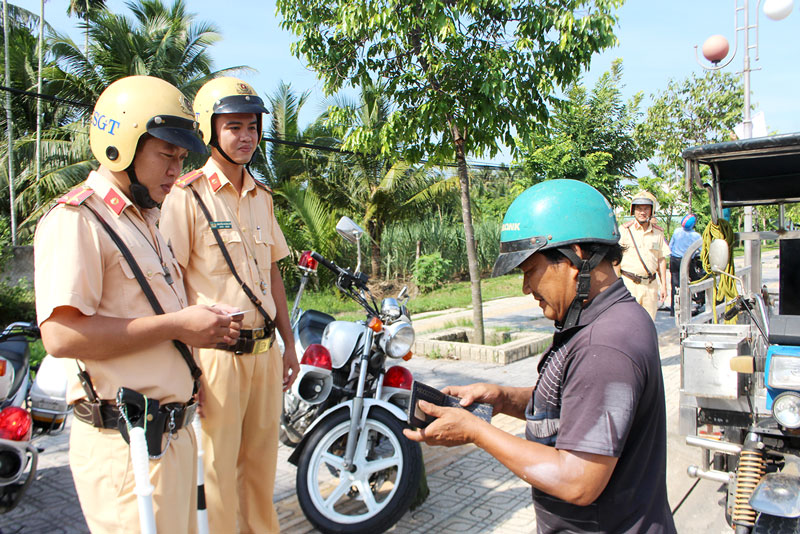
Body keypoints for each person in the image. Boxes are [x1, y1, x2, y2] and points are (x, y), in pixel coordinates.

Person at [405, 179, 676, 534]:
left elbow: (578, 481)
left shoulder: (606, 344)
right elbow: (578, 404)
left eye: (530, 270)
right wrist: (502, 399)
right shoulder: (601, 320)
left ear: (576, 257)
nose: (526, 288)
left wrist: (476, 431)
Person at [34, 75, 243, 533]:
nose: (176, 169)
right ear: (120, 147)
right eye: (166, 155)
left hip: (172, 437)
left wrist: (190, 372)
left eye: (182, 157)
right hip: (126, 447)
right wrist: (177, 326)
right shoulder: (78, 219)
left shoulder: (147, 217)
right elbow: (60, 335)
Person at [160, 76, 300, 533]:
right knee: (219, 469)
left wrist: (290, 344)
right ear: (208, 130)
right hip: (217, 356)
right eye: (233, 126)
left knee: (262, 466)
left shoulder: (263, 196)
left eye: (253, 127)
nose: (246, 137)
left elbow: (273, 274)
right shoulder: (186, 195)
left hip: (265, 353)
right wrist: (186, 366)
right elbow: (172, 284)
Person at [617, 190, 671, 320]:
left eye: (646, 208)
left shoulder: (658, 233)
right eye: (639, 208)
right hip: (629, 284)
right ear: (633, 210)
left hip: (650, 287)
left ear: (651, 211)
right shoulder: (625, 230)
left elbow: (661, 259)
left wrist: (663, 286)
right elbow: (615, 259)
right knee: (628, 322)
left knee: (648, 323)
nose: (642, 212)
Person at [668, 214, 704, 316]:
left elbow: (671, 246)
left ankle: (673, 310)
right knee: (695, 280)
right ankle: (698, 298)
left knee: (675, 284)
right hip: (687, 261)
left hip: (674, 260)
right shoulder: (696, 236)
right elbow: (701, 250)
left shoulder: (677, 231)